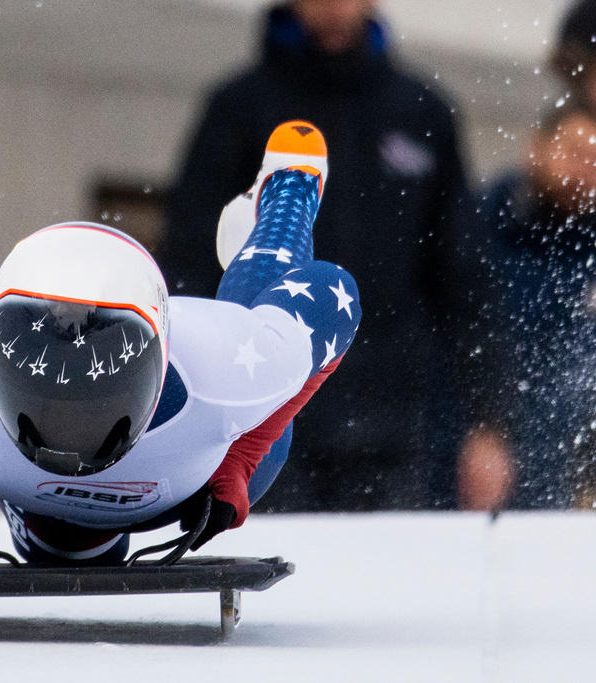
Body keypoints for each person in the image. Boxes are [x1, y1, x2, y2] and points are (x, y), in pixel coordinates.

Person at [0, 122, 361, 564]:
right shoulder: (223, 383)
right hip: (174, 481)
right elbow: (331, 298)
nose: (69, 433)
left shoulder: (217, 370)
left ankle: (287, 193)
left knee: (261, 359)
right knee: (268, 369)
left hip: (145, 468)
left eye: (92, 394)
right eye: (49, 385)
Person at [155, 0, 479, 511]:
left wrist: (490, 423)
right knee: (266, 578)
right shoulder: (239, 107)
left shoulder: (423, 111)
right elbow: (188, 263)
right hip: (261, 414)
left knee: (384, 584)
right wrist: (187, 401)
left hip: (392, 419)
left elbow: (465, 278)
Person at [458, 104, 596, 511]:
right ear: (536, 147)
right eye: (574, 153)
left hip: (561, 479)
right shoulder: (477, 224)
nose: (584, 172)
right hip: (462, 453)